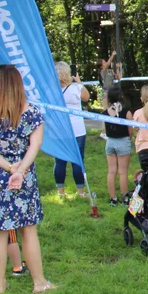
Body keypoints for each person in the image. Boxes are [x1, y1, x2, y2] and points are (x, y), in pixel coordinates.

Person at [0, 65, 55, 294]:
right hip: (24, 178)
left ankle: (0, 285)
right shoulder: (32, 113)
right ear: (19, 84)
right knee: (29, 230)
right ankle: (39, 283)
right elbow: (35, 144)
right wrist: (20, 169)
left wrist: (8, 167)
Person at [53, 61, 90, 198]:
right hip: (77, 130)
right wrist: (79, 82)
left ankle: (61, 192)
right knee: (77, 160)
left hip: (60, 130)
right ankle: (80, 192)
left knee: (60, 161)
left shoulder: (52, 90)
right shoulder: (75, 88)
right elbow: (87, 97)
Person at [103, 85, 132, 206]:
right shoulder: (127, 113)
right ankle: (125, 199)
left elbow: (105, 130)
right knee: (123, 172)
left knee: (111, 171)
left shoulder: (105, 113)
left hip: (110, 142)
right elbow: (130, 131)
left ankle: (113, 199)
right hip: (123, 142)